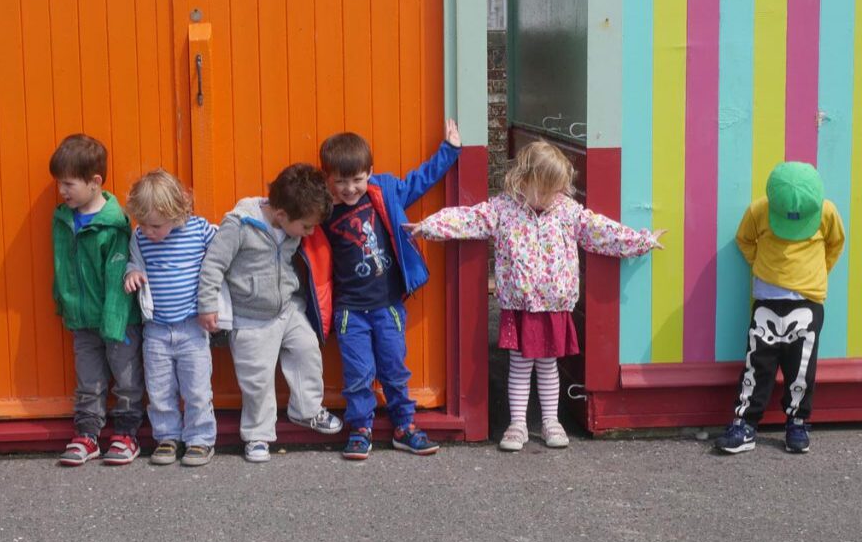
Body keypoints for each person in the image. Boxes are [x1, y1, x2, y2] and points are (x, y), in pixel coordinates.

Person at [407, 140, 665, 451]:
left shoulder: (568, 211)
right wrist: (430, 226)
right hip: (519, 304)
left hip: (555, 305)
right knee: (519, 365)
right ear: (523, 180)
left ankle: (551, 421)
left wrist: (641, 241)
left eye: (555, 190)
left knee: (547, 365)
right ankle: (517, 424)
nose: (549, 197)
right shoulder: (503, 208)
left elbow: (601, 231)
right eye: (543, 189)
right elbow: (469, 218)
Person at [305, 120, 462, 460]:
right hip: (349, 311)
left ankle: (405, 426)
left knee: (394, 367)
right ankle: (361, 427)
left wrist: (449, 151)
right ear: (327, 178)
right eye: (341, 181)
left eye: (357, 179)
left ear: (370, 173)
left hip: (388, 305)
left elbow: (419, 182)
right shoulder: (323, 211)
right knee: (358, 373)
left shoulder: (383, 193)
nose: (350, 188)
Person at [197, 163, 343, 462]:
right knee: (257, 380)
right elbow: (213, 265)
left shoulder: (290, 222)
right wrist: (207, 304)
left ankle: (307, 410)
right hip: (251, 318)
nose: (311, 232)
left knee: (307, 349)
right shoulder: (239, 225)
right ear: (280, 215)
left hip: (287, 308)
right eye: (306, 227)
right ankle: (257, 434)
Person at [715, 162, 845, 454]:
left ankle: (797, 422)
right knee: (757, 364)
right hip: (767, 301)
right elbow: (744, 239)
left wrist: (817, 273)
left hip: (808, 302)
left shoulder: (826, 212)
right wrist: (763, 268)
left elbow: (835, 244)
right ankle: (745, 424)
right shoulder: (759, 210)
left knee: (801, 367)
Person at [50, 134, 145, 466]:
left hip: (117, 321)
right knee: (88, 381)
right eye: (59, 184)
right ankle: (87, 435)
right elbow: (61, 263)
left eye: (68, 184)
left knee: (127, 378)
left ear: (95, 182)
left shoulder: (113, 225)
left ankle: (127, 434)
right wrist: (62, 300)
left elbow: (119, 281)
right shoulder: (63, 218)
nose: (62, 191)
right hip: (82, 320)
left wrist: (114, 322)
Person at [124, 169, 217, 467]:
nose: (149, 231)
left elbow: (223, 254)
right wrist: (133, 272)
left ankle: (200, 439)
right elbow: (134, 261)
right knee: (160, 388)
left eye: (155, 225)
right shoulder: (141, 237)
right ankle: (166, 437)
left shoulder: (200, 230)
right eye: (143, 224)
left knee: (197, 388)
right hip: (156, 328)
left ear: (177, 212)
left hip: (192, 325)